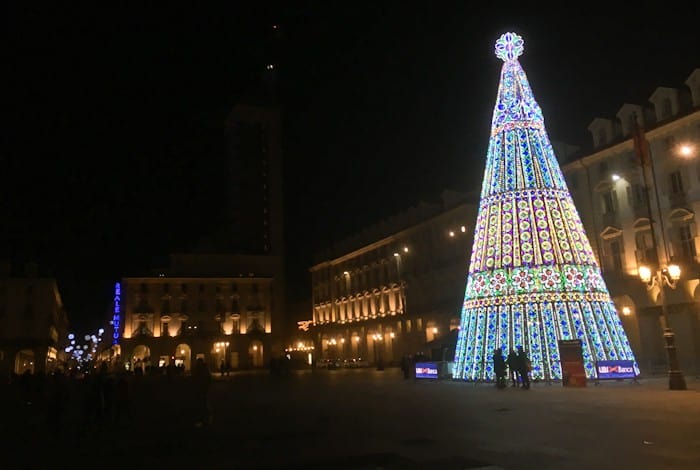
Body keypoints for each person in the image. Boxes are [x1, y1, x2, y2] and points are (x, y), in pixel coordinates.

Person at [192, 358, 212, 427]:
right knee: (204, 404)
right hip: (203, 389)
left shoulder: (199, 369)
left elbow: (195, 378)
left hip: (201, 389)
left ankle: (203, 420)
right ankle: (207, 419)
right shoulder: (205, 369)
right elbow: (209, 379)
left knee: (202, 404)